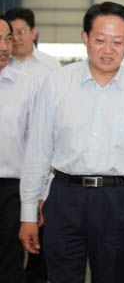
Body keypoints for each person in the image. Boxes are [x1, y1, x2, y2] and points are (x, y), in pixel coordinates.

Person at [19, 1, 124, 283]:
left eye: (117, 42)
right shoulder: (57, 84)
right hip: (64, 198)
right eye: (100, 40)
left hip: (119, 201)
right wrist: (27, 214)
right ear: (85, 38)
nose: (108, 50)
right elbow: (38, 151)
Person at [0, 16, 38, 282]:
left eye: (7, 39)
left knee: (9, 262)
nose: (4, 46)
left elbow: (36, 145)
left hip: (11, 190)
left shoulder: (27, 85)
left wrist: (37, 196)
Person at [5, 7, 61, 84]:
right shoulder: (2, 63)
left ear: (34, 33)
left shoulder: (51, 64)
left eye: (20, 32)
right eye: (11, 33)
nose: (15, 38)